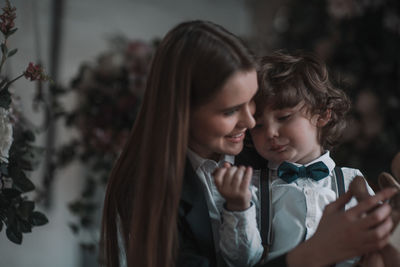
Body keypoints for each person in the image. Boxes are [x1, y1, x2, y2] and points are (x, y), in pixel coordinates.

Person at [100, 21, 396, 267]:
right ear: (181, 112)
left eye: (251, 105)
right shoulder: (145, 191)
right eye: (230, 110)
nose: (253, 123)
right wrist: (315, 253)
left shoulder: (268, 155)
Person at [214, 51, 397, 267]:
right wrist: (238, 206)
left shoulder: (352, 181)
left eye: (284, 117)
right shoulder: (250, 187)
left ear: (322, 114)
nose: (271, 132)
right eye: (259, 125)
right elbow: (239, 261)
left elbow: (379, 237)